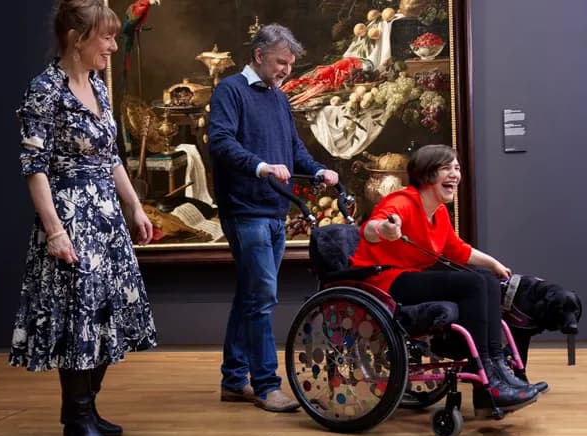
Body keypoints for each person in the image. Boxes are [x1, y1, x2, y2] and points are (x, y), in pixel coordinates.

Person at [9, 0, 157, 436]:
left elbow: (110, 156)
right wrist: (55, 232)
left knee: (108, 314)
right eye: (107, 38)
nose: (114, 46)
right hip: (71, 216)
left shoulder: (97, 86)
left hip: (107, 216)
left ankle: (88, 407)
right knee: (80, 318)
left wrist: (134, 206)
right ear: (77, 39)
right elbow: (34, 169)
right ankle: (75, 420)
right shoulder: (45, 90)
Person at [350, 144, 539, 416]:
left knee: (485, 278)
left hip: (408, 279)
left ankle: (497, 368)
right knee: (473, 283)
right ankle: (486, 379)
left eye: (457, 168)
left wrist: (494, 264)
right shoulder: (402, 202)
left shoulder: (438, 213)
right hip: (383, 283)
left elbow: (458, 249)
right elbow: (369, 229)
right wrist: (385, 229)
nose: (455, 174)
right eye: (447, 168)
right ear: (427, 173)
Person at [208, 24, 339, 412]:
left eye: (290, 64)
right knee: (262, 297)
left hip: (274, 212)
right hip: (245, 210)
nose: (286, 70)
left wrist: (318, 170)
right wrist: (261, 166)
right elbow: (220, 141)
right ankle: (266, 386)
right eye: (281, 62)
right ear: (259, 55)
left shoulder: (278, 99)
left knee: (251, 294)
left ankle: (234, 379)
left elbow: (294, 149)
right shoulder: (230, 91)